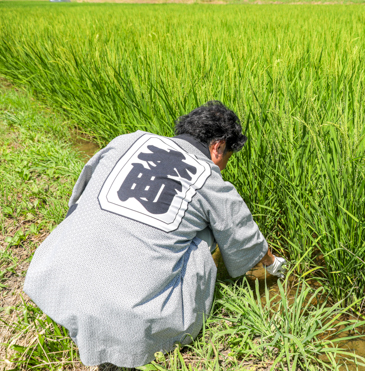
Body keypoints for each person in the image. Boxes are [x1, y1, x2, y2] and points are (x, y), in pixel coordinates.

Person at [23, 101, 287, 368]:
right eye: (228, 158)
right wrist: (274, 265)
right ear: (218, 146)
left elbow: (78, 196)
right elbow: (247, 240)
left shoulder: (127, 141)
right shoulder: (209, 178)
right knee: (208, 231)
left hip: (55, 280)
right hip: (131, 319)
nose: (224, 166)